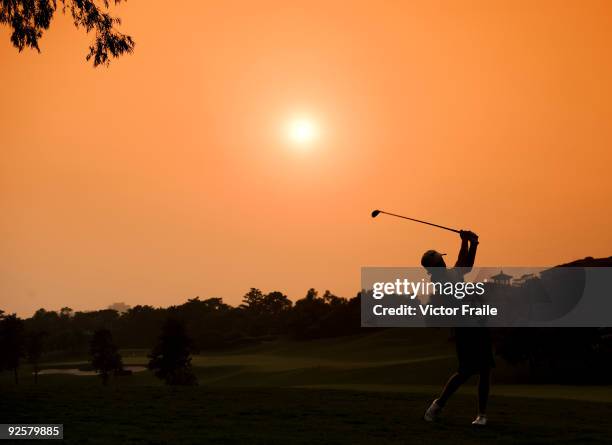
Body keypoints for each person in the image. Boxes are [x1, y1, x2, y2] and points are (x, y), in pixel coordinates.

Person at [421, 230, 494, 426]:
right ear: (437, 265)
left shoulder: (447, 273)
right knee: (465, 372)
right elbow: (463, 266)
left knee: (485, 369)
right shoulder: (441, 280)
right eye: (441, 262)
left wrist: (470, 243)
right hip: (465, 329)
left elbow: (464, 265)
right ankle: (437, 406)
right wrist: (467, 242)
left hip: (476, 324)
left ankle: (481, 415)